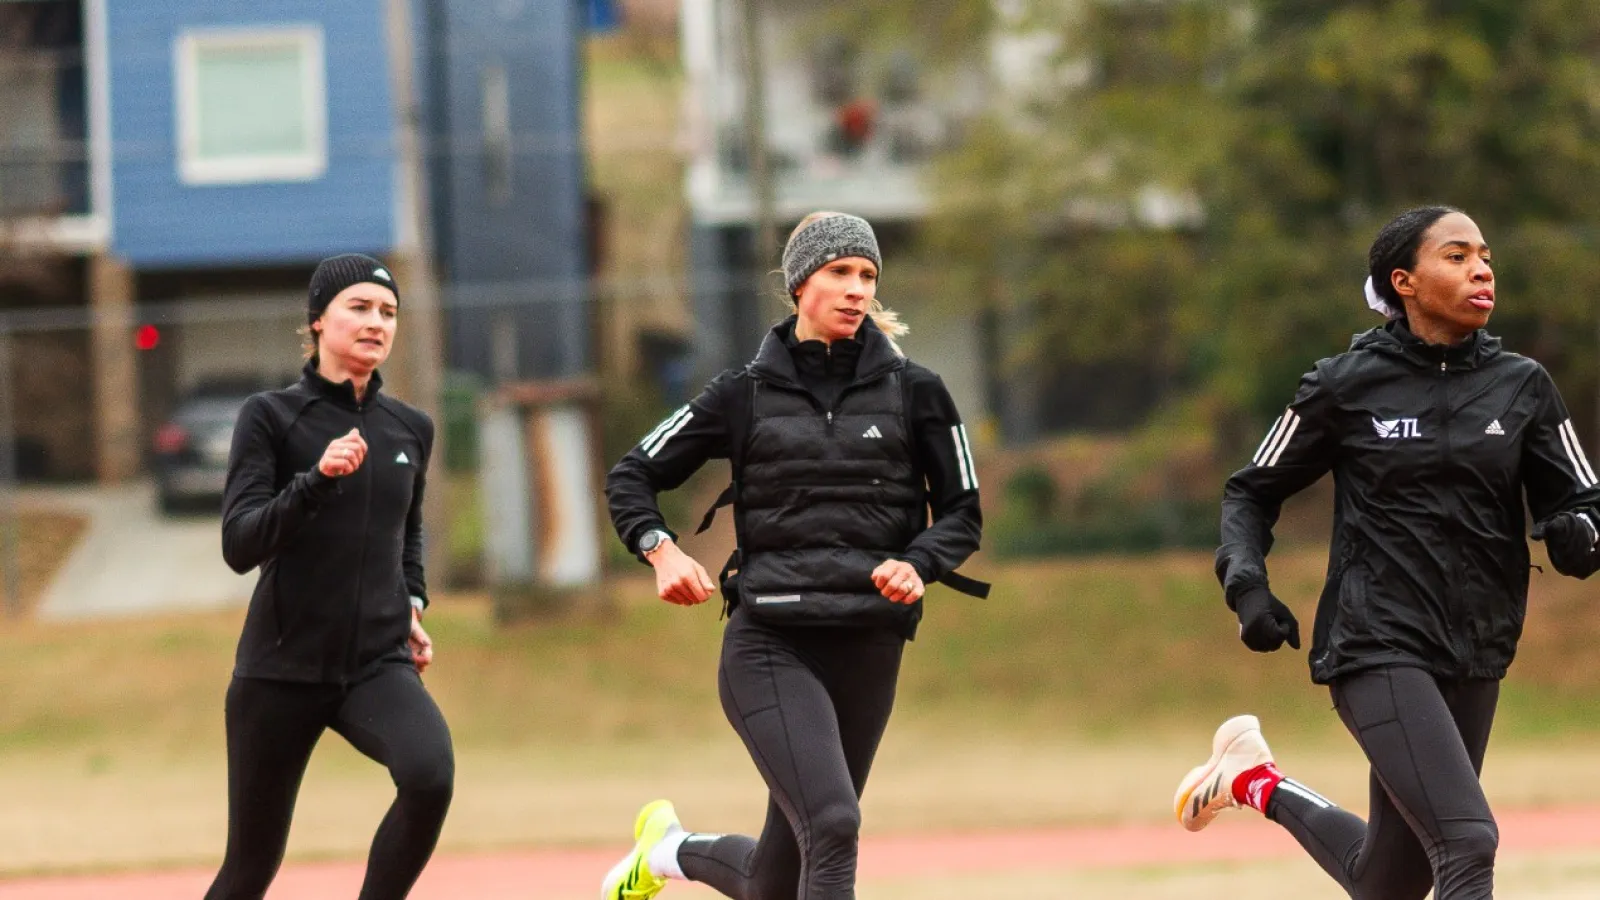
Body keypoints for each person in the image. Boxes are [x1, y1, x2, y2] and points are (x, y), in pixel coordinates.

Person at [1173, 207, 1600, 900]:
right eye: (1457, 256)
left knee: (1391, 881)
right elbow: (1249, 492)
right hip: (1375, 639)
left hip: (1477, 645)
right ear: (1404, 281)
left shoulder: (1523, 386)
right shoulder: (1344, 383)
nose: (1482, 269)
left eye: (1485, 255)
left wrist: (1581, 535)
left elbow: (1584, 506)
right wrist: (1247, 586)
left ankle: (1253, 782)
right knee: (1468, 841)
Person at [599, 211, 987, 900]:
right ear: (801, 282)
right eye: (840, 272)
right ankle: (671, 849)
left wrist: (918, 563)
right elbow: (632, 474)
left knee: (777, 880)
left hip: (870, 645)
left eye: (868, 275)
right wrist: (661, 551)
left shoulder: (917, 392)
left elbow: (963, 513)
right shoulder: (740, 393)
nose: (857, 289)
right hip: (771, 641)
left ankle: (670, 851)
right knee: (834, 822)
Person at [205, 254, 454, 900]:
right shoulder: (269, 417)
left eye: (389, 312)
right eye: (360, 307)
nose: (377, 322)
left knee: (429, 776)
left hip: (374, 663)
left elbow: (408, 532)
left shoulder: (410, 428)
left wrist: (414, 602)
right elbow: (239, 543)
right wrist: (316, 482)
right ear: (318, 320)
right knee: (250, 869)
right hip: (279, 673)